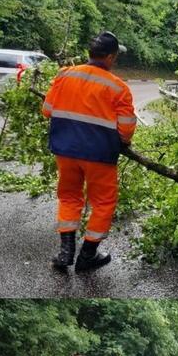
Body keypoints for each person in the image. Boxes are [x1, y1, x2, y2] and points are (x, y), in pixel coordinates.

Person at [42, 31, 137, 272]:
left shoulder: (65, 75)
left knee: (69, 197)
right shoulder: (119, 88)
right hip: (100, 155)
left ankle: (65, 252)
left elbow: (47, 109)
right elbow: (126, 128)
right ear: (111, 57)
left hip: (66, 150)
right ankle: (87, 255)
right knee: (103, 203)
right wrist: (123, 141)